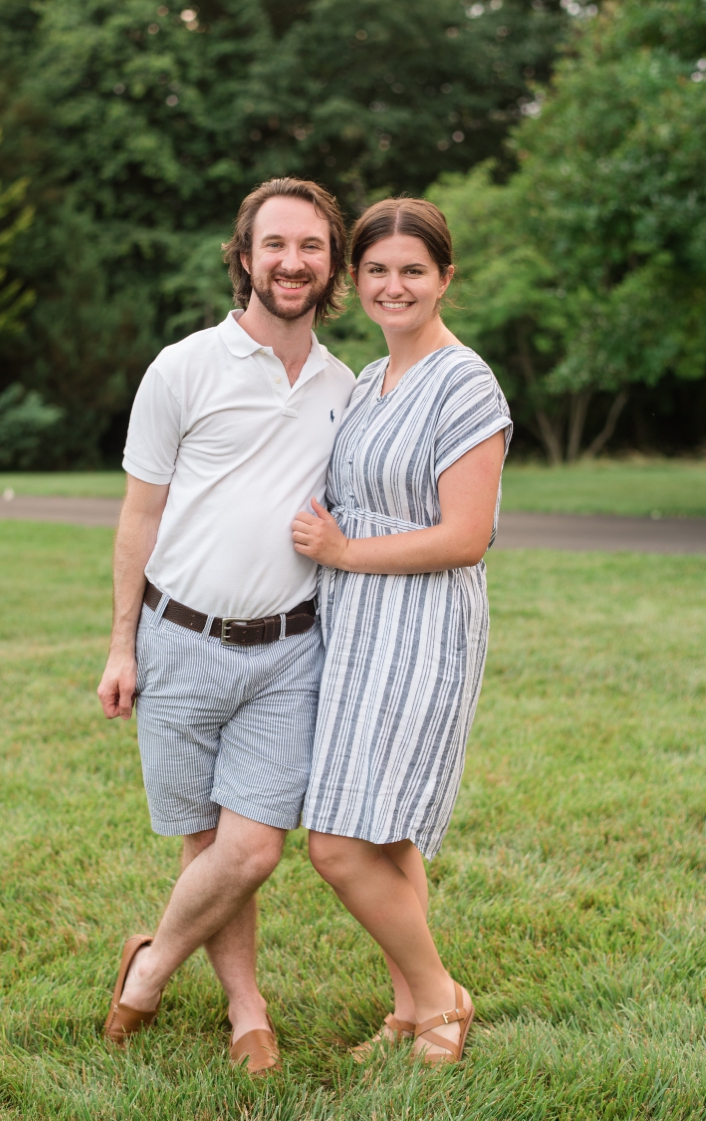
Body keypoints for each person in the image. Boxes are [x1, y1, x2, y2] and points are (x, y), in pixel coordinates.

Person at [95, 178, 357, 1073]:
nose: (293, 262)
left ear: (332, 265)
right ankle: (247, 1006)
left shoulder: (345, 387)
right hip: (178, 640)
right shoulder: (182, 367)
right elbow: (139, 516)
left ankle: (149, 965)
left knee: (251, 847)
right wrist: (122, 643)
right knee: (207, 846)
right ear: (244, 257)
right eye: (276, 245)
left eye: (312, 247)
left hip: (290, 648)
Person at [291, 198, 510, 1065]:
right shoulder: (365, 381)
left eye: (412, 269)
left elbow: (467, 533)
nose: (393, 285)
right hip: (356, 623)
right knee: (386, 833)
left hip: (423, 624)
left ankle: (441, 995)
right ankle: (411, 1006)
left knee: (338, 844)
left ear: (444, 277)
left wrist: (344, 548)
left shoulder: (465, 382)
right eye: (376, 270)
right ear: (356, 280)